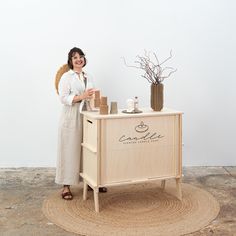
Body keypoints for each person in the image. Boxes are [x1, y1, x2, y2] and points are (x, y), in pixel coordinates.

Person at [55, 47, 97, 200]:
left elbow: (91, 94)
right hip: (71, 116)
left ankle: (89, 181)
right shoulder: (67, 77)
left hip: (86, 115)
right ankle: (66, 186)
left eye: (81, 56)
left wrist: (94, 102)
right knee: (69, 148)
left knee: (88, 149)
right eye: (75, 57)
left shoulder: (88, 75)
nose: (78, 59)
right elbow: (63, 98)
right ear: (71, 61)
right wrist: (82, 96)